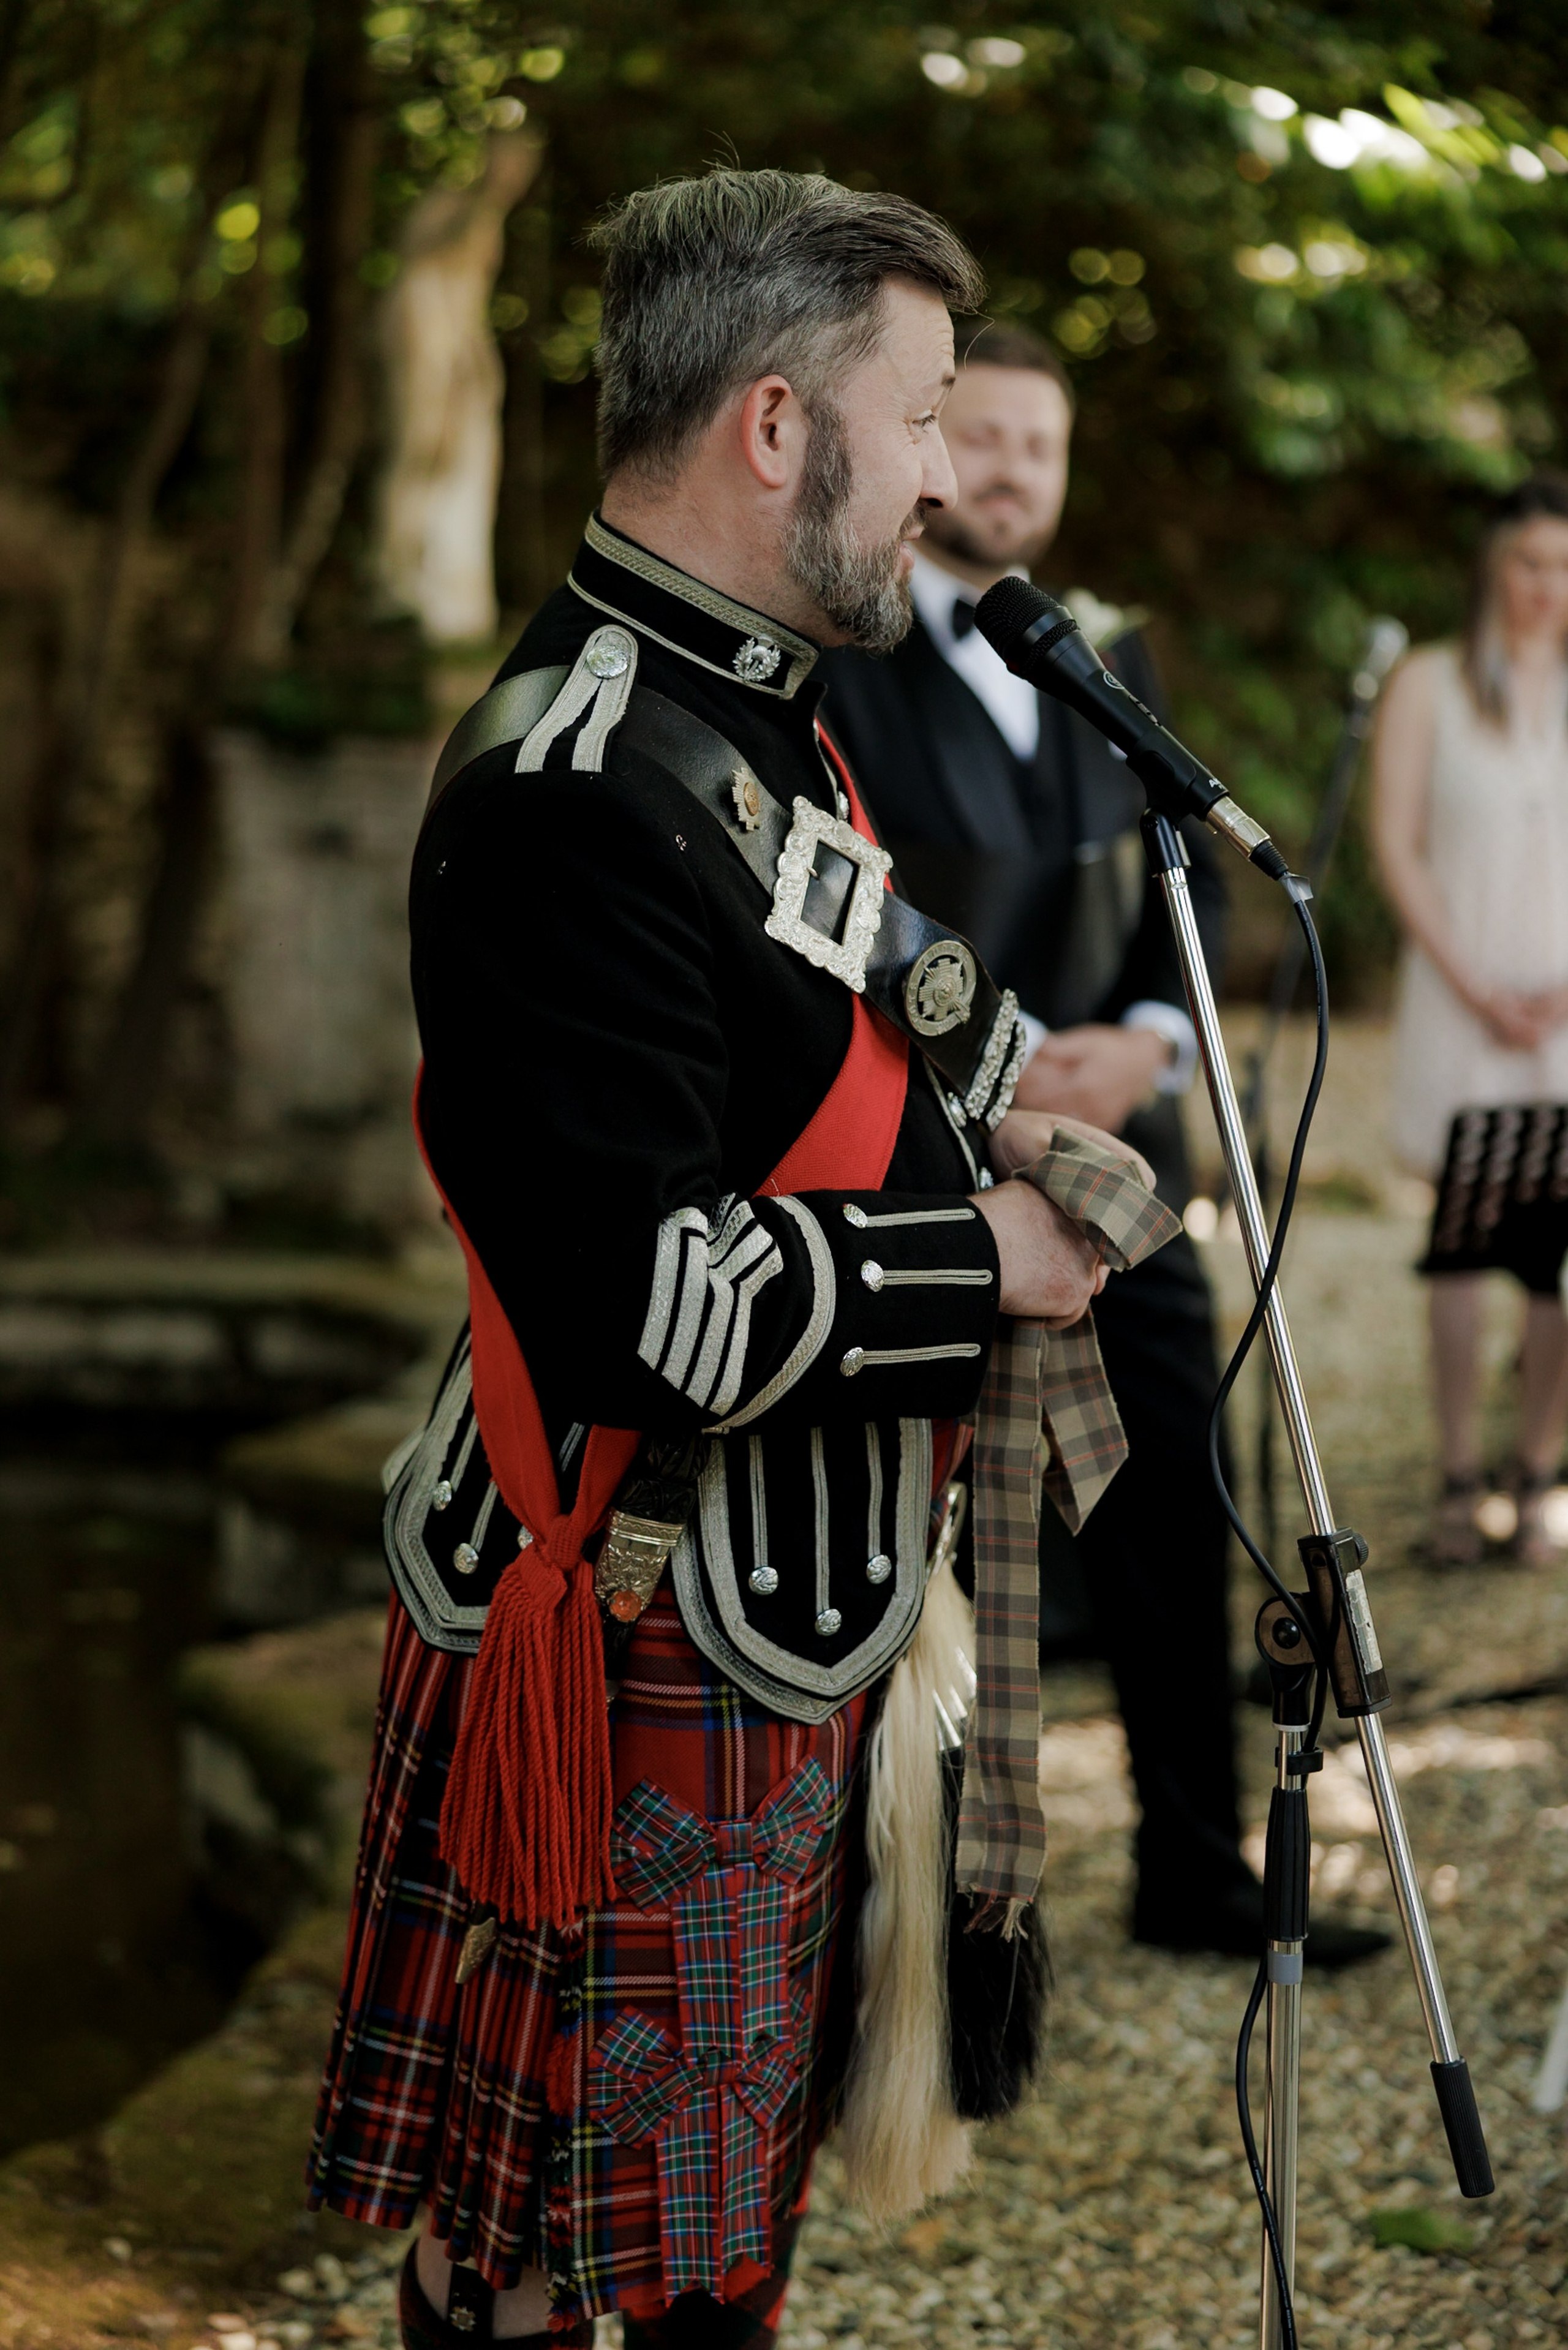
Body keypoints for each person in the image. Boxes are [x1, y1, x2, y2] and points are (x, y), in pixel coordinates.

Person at [306, 172, 1143, 2349]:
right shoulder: (578, 780)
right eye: (926, 411)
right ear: (779, 426)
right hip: (633, 1590)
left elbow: (808, 1061)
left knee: (677, 2235)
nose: (952, 471)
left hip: (771, 1590)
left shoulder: (760, 698)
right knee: (581, 2270)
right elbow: (638, 1295)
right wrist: (998, 1259)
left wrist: (997, 1124)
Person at [820, 321, 1389, 1968]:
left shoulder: (1100, 652)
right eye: (977, 434)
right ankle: (910, 1923)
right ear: (926, 449)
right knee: (925, 1546)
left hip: (1118, 1160)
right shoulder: (843, 661)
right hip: (930, 1162)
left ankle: (1198, 1867)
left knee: (1174, 1485)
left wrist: (1139, 1045)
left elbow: (1184, 900)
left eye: (1038, 446)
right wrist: (998, 1071)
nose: (1008, 470)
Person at [1375, 472, 1568, 1567]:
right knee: (1459, 1244)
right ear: (1495, 568)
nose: (1549, 589)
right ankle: (1457, 1469)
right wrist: (1476, 984)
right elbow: (1398, 849)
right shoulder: (1429, 685)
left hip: (1564, 1018)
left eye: (1566, 569)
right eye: (1531, 564)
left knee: (1556, 1254)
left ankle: (1536, 1470)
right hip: (1460, 1001)